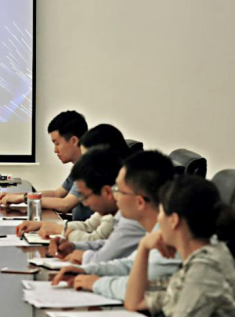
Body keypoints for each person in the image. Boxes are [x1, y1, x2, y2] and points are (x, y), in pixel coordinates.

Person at [125, 176, 235, 317]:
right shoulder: (201, 256)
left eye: (161, 212)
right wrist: (144, 248)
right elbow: (134, 303)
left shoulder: (206, 266)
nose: (158, 220)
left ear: (174, 220)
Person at [51, 150, 181, 301]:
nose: (114, 196)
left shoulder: (171, 240)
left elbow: (137, 290)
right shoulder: (154, 229)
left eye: (118, 190)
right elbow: (129, 265)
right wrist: (85, 271)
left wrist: (96, 283)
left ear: (139, 202)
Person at [16, 124, 131, 240]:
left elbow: (95, 238)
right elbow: (89, 225)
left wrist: (61, 230)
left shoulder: (122, 199)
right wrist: (44, 225)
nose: (84, 202)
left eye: (87, 158)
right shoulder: (105, 184)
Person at [44, 146, 145, 265]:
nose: (84, 203)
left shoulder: (131, 218)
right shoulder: (120, 214)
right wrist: (74, 246)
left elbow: (105, 257)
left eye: (85, 197)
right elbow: (108, 245)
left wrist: (83, 255)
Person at [0, 110, 93, 220]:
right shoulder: (80, 167)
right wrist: (17, 196)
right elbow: (57, 194)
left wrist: (23, 198)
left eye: (57, 143)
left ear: (74, 141)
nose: (55, 150)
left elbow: (65, 204)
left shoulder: (90, 167)